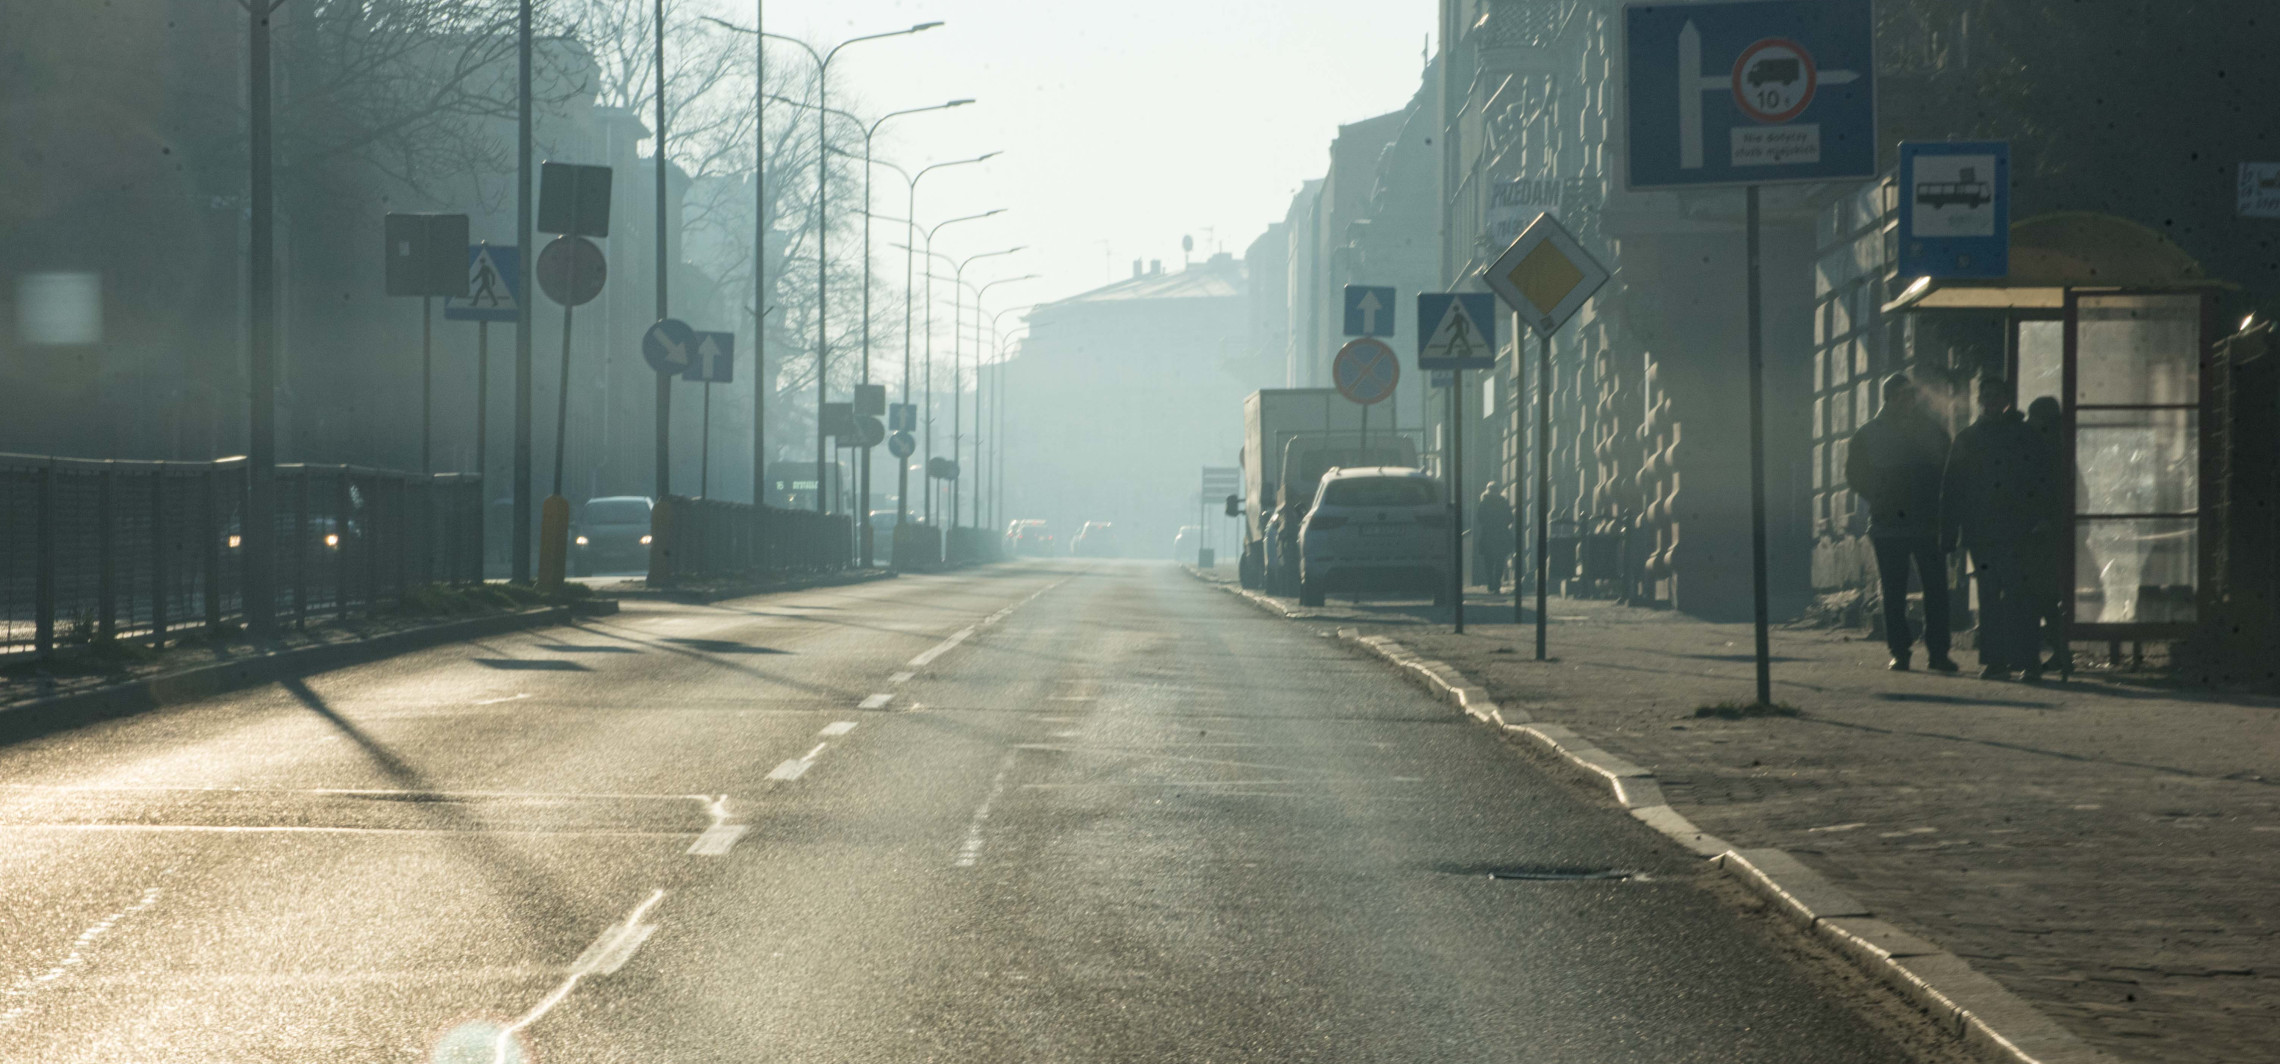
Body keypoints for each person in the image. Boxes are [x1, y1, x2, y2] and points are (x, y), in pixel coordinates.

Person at [1942, 377, 2054, 681]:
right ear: (1982, 400)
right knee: (2002, 595)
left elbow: (2043, 479)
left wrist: (1951, 533)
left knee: (2010, 595)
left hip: (2003, 529)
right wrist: (1950, 533)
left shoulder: (1971, 438)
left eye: (1995, 395)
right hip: (2000, 529)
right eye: (1987, 395)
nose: (1990, 400)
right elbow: (1952, 488)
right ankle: (2011, 662)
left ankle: (2011, 662)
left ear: (2004, 399)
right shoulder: (2021, 436)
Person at [1845, 374, 1958, 672]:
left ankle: (1938, 652)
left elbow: (1948, 469)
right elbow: (1854, 474)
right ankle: (1900, 651)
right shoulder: (1869, 434)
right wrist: (1880, 496)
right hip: (1888, 524)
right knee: (1893, 592)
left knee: (1936, 589)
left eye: (1910, 395)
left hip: (1924, 522)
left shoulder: (1931, 431)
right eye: (1901, 396)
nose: (1907, 401)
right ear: (1889, 398)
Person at [2024, 397, 2068, 672]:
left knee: (2040, 596)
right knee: (2049, 597)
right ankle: (2061, 652)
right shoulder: (2059, 445)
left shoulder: (2044, 448)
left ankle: (2055, 653)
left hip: (2043, 532)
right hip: (2054, 530)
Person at [1475, 483, 1514, 593]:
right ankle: (1497, 582)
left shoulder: (1484, 502)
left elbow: (1479, 518)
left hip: (1488, 534)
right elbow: (1510, 518)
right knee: (1500, 559)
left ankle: (1490, 582)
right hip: (1501, 535)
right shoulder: (1503, 502)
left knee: (1489, 560)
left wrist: (1488, 523)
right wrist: (1502, 524)